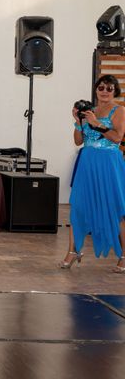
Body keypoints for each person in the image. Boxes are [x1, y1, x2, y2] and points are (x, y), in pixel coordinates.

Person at [61, 74, 125, 272]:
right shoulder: (90, 110)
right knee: (78, 206)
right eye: (101, 88)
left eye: (109, 88)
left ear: (115, 91)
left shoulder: (119, 110)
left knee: (116, 208)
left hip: (109, 162)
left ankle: (124, 255)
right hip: (87, 162)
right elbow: (79, 141)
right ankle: (73, 251)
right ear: (96, 90)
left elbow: (117, 138)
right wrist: (78, 121)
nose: (104, 91)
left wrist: (97, 123)